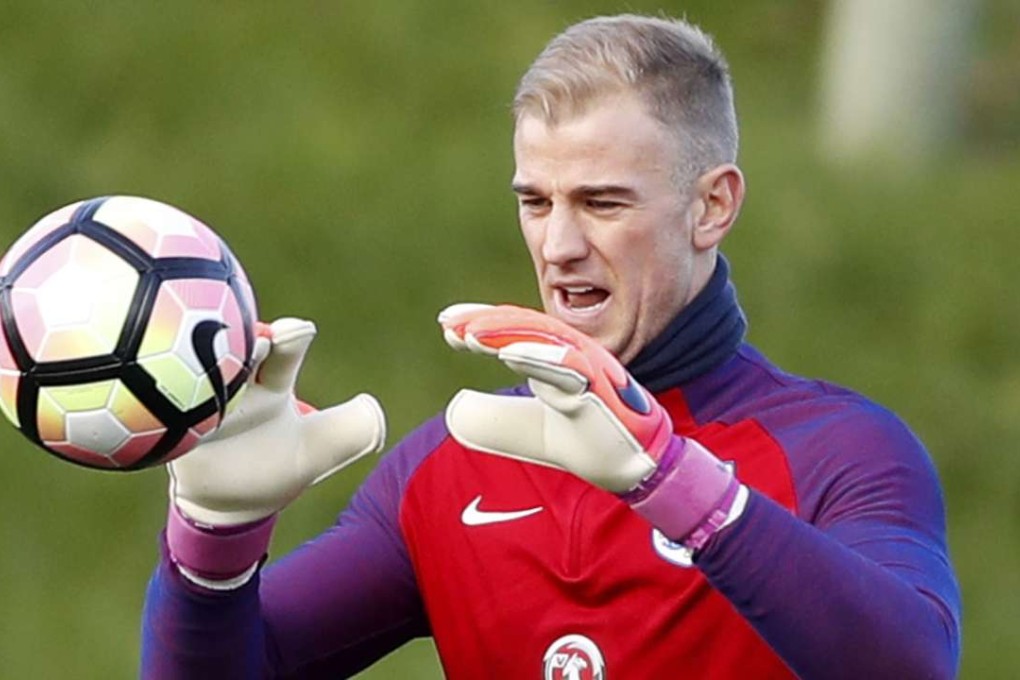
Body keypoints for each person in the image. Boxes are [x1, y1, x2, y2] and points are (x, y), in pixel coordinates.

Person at [141, 14, 961, 679]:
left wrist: (674, 485)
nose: (559, 244)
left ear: (712, 206)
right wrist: (212, 541)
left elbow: (915, 664)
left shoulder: (842, 451)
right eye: (536, 201)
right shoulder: (450, 467)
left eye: (602, 202)